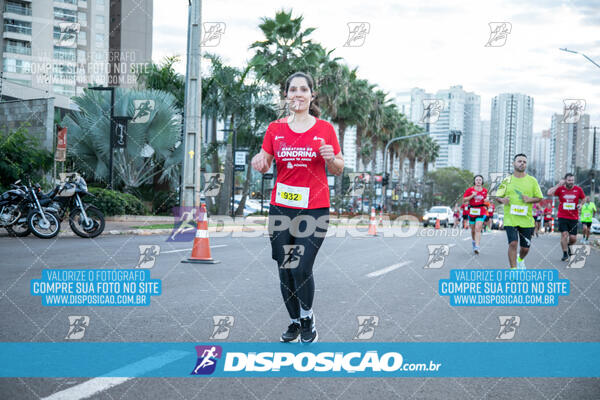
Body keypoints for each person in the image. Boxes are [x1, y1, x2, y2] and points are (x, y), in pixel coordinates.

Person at [251, 71, 344, 343]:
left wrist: (330, 159)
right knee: (285, 267)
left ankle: (307, 316)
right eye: (293, 90)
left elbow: (338, 168)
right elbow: (265, 161)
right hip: (282, 208)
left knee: (301, 266)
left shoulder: (325, 129)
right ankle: (294, 323)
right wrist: (260, 160)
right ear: (286, 95)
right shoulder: (275, 128)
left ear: (312, 95)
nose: (298, 95)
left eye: (304, 90)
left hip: (315, 208)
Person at [494, 154, 543, 269]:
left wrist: (529, 199)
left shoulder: (532, 181)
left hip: (526, 220)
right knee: (513, 243)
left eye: (524, 162)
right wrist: (503, 200)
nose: (522, 163)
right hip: (510, 218)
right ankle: (513, 269)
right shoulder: (507, 180)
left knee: (525, 248)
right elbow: (497, 197)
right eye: (519, 161)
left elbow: (539, 197)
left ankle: (520, 259)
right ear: (513, 163)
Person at [547, 173, 586, 261]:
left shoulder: (578, 189)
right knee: (564, 235)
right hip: (562, 216)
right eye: (569, 180)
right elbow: (549, 192)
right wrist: (558, 184)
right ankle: (565, 254)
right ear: (565, 180)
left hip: (574, 217)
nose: (571, 182)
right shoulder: (560, 189)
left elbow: (583, 198)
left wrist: (581, 204)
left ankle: (569, 246)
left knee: (573, 238)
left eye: (572, 180)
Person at [463, 175, 488, 254]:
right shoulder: (469, 190)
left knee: (478, 228)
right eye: (477, 180)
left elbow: (486, 202)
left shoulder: (485, 191)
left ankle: (477, 246)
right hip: (472, 211)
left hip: (481, 211)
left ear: (482, 182)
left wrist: (486, 200)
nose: (478, 181)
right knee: (473, 230)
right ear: (474, 181)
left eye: (480, 180)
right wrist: (472, 195)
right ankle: (474, 242)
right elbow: (464, 200)